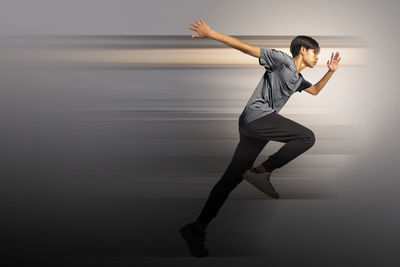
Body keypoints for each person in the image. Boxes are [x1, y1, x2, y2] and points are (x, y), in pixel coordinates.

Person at [180, 17, 341, 257]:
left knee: (230, 180)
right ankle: (261, 171)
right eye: (315, 52)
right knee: (306, 137)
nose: (317, 57)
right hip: (257, 118)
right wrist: (211, 33)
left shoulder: (298, 79)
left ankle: (197, 228)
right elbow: (246, 48)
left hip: (258, 129)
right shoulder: (281, 60)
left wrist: (330, 72)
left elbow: (315, 90)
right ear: (302, 50)